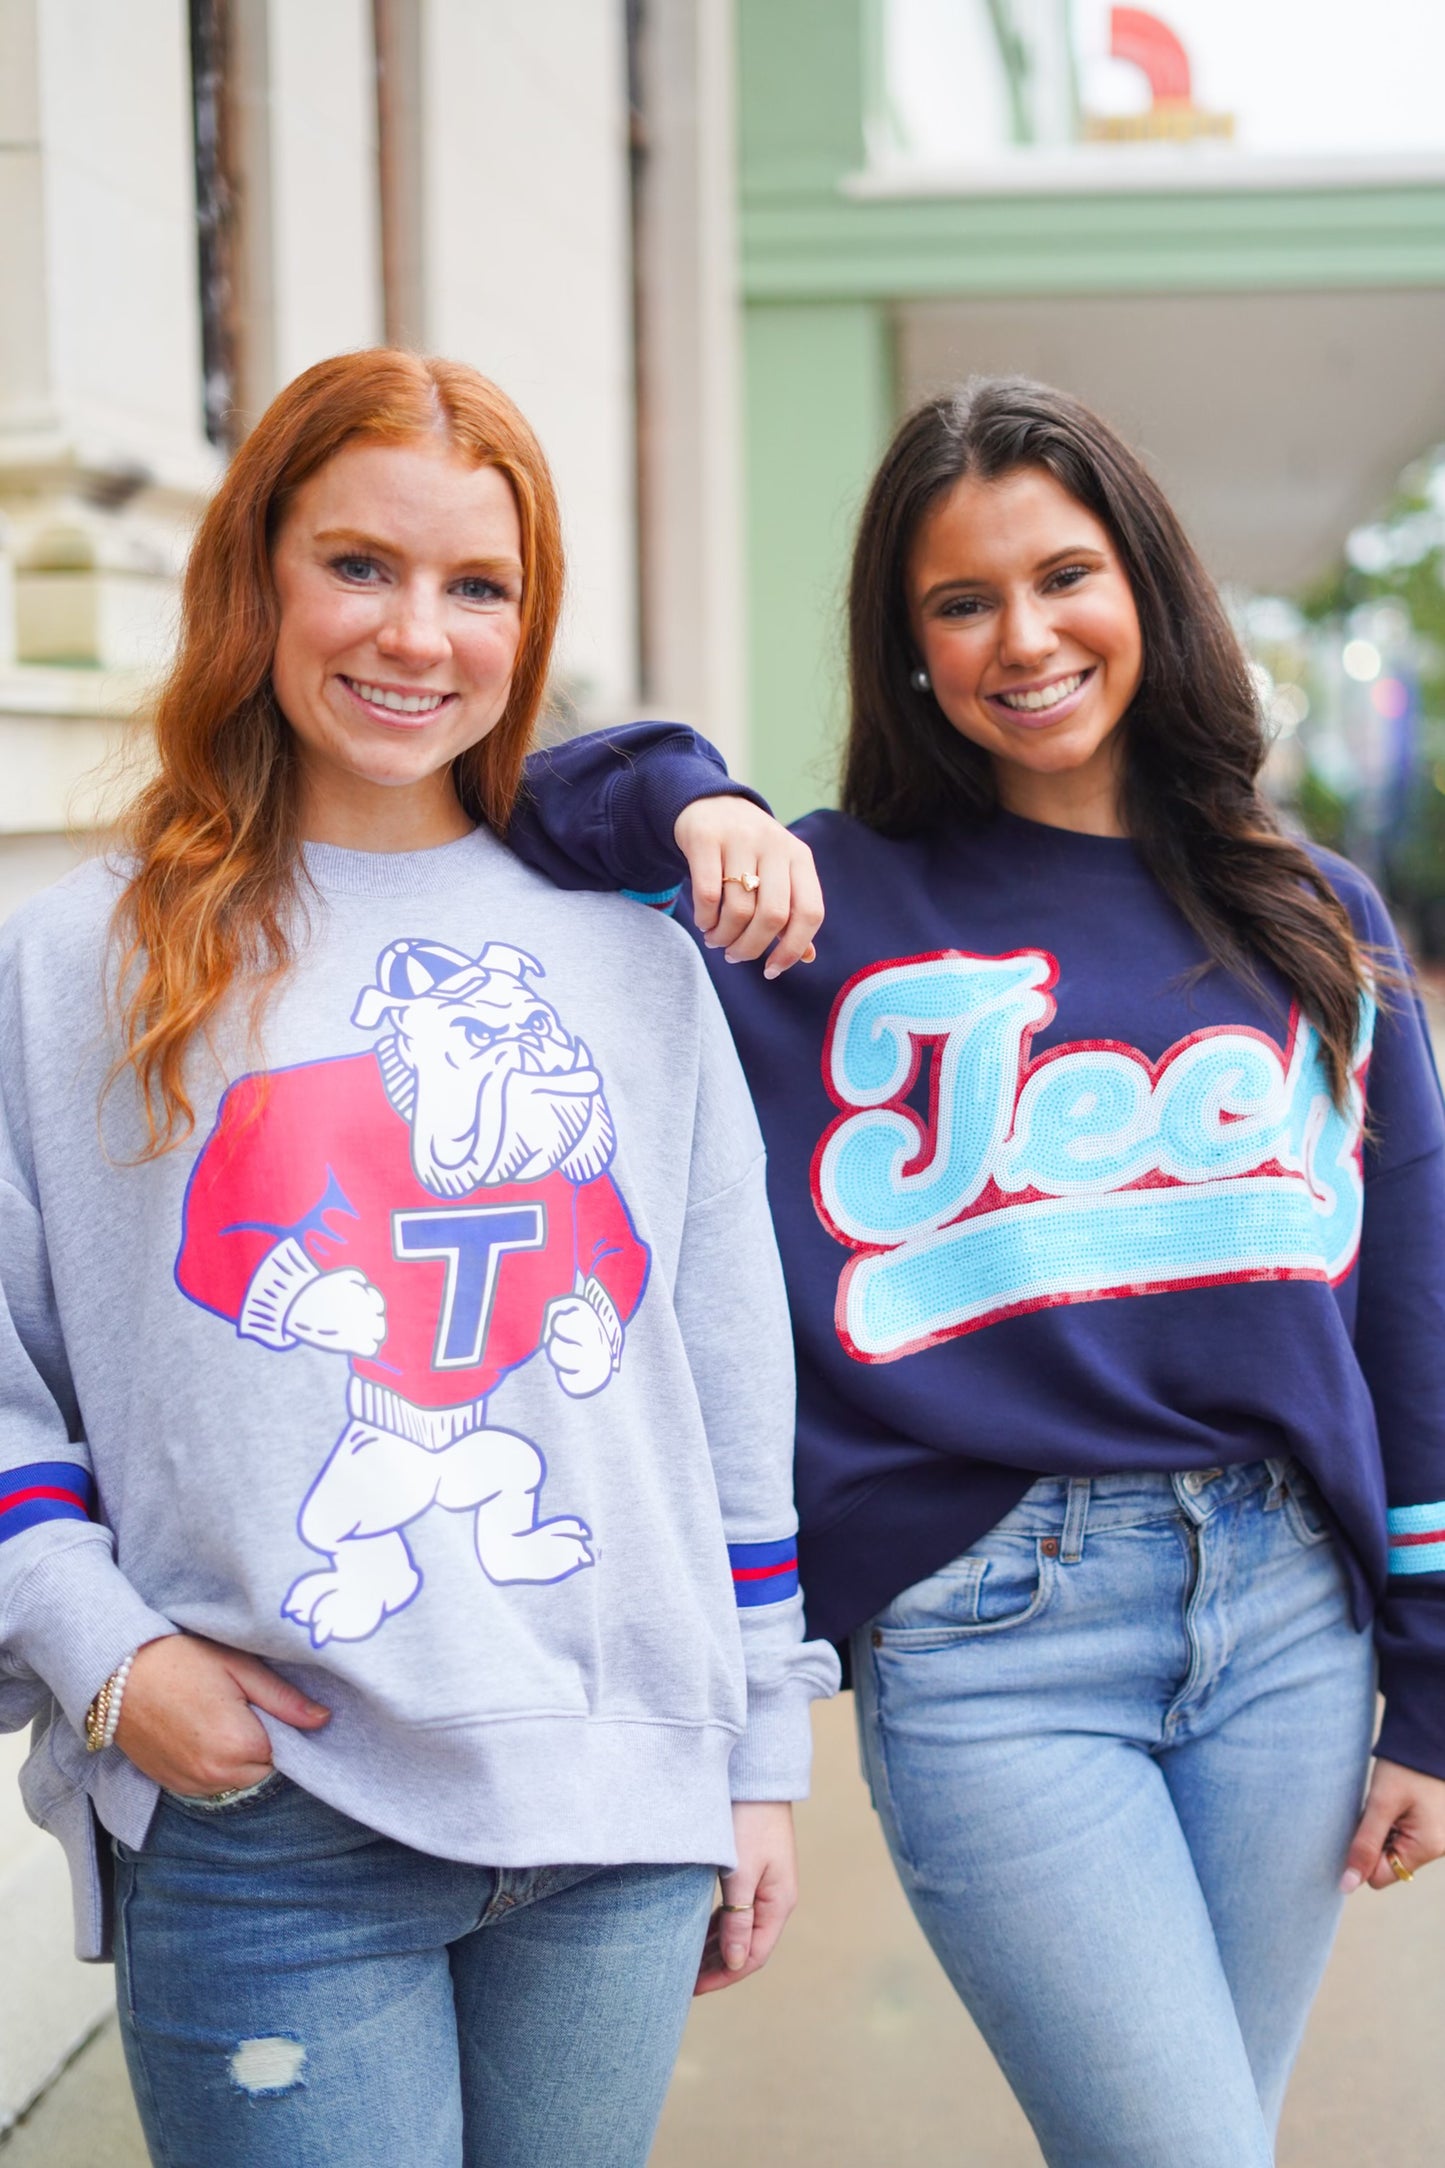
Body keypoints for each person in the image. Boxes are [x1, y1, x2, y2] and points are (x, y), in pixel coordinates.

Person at [504, 378, 1445, 2165]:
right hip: (993, 1635)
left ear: (1146, 588)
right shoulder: (815, 905)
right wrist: (693, 796)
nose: (1023, 637)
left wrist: (1438, 1679)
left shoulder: (1313, 914)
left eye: (1064, 576)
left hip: (1290, 1629)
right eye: (961, 600)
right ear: (909, 649)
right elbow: (513, 805)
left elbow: (1411, 1309)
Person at [0, 349, 838, 2168]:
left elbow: (723, 1374)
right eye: (359, 565)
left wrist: (756, 1750)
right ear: (254, 573)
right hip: (273, 1819)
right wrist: (102, 1653)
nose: (415, 634)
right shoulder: (83, 960)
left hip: (612, 1810)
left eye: (478, 585)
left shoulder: (634, 962)